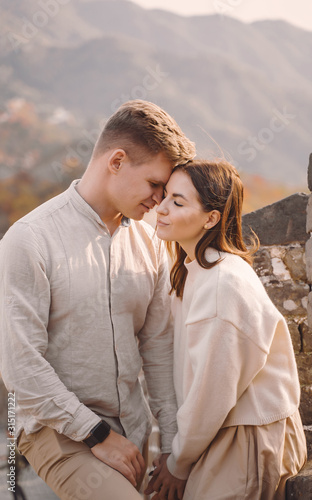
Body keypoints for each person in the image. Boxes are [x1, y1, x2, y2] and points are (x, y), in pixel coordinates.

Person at [0, 100, 196, 500]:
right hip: (60, 433)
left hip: (136, 434)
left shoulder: (150, 242)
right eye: (155, 185)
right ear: (117, 161)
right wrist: (96, 433)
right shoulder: (30, 239)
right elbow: (20, 367)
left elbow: (158, 348)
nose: (160, 201)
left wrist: (174, 450)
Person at [146, 160, 307, 500]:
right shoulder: (194, 273)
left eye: (177, 201)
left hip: (248, 436)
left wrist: (178, 461)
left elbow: (211, 393)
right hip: (220, 433)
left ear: (211, 218)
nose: (161, 209)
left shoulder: (222, 284)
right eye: (164, 197)